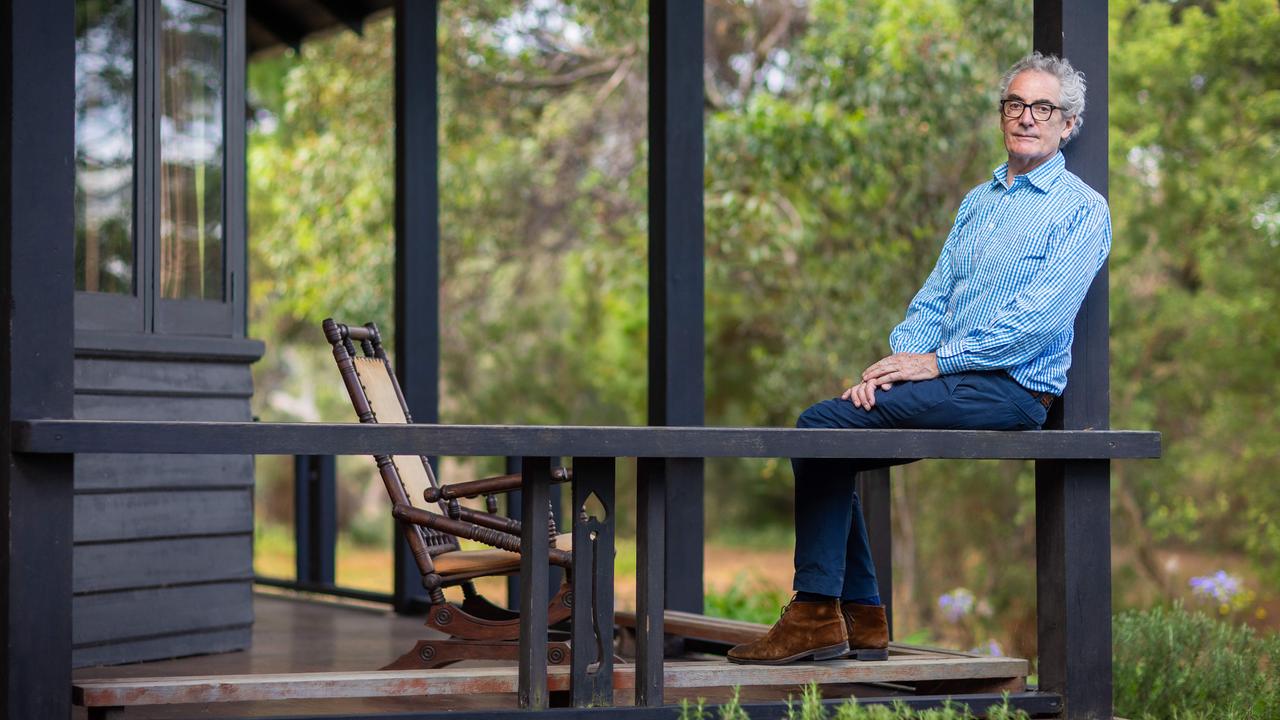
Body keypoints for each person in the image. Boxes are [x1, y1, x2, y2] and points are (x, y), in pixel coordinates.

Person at [727, 52, 1112, 665]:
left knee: (822, 428)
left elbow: (1037, 324)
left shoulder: (1081, 210)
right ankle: (857, 617)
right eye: (1015, 104)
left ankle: (824, 613)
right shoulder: (978, 201)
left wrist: (934, 364)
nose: (1027, 118)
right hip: (950, 377)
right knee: (831, 430)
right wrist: (895, 362)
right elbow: (935, 297)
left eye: (1044, 108)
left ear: (1068, 125)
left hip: (1010, 390)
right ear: (1002, 116)